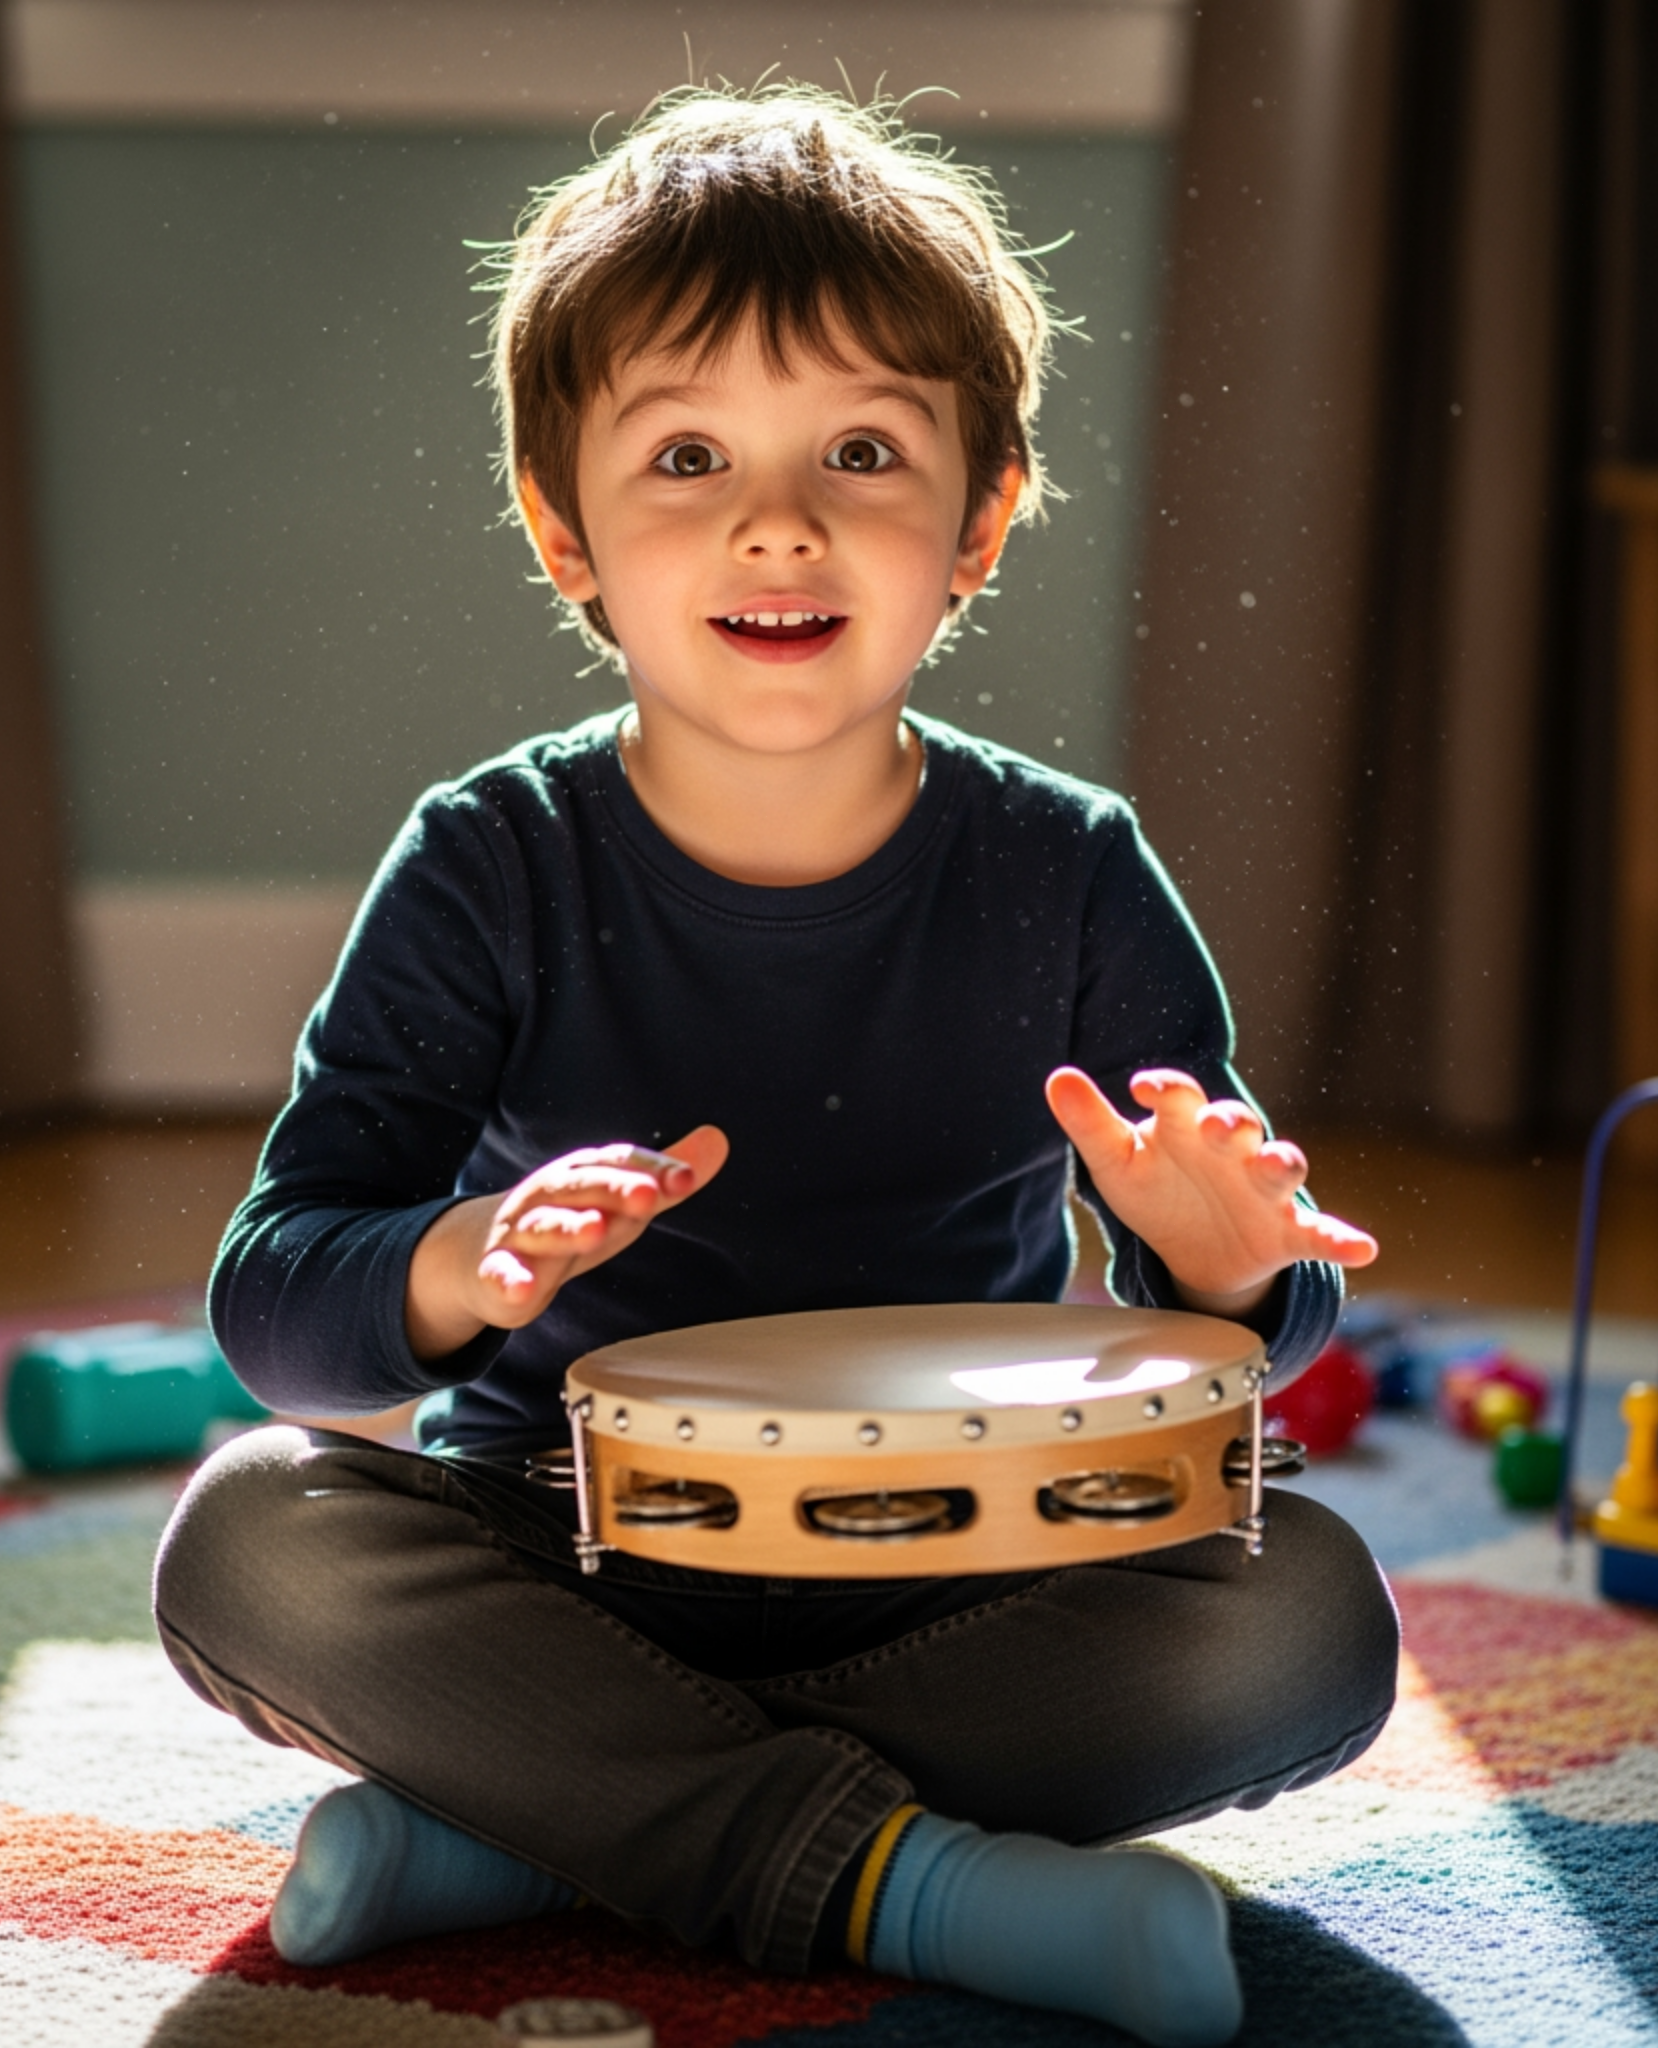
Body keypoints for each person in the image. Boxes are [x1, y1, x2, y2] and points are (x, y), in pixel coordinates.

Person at [153, 85, 1399, 2048]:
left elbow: (1261, 1328)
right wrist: (460, 1263)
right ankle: (915, 1879)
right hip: (567, 1544)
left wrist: (1222, 1262)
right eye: (685, 455)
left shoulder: (1067, 874)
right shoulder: (491, 863)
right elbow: (278, 1304)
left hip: (968, 1575)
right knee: (249, 1537)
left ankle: (547, 1831)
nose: (776, 520)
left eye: (860, 449)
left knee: (1310, 1611)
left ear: (980, 514)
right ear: (563, 523)